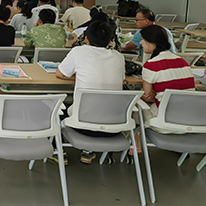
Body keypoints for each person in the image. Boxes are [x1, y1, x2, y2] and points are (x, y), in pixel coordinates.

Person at [56, 20, 125, 164]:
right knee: (97, 103)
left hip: (82, 125)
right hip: (114, 126)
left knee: (56, 108)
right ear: (110, 41)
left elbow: (60, 74)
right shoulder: (119, 57)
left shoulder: (78, 51)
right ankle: (88, 151)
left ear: (86, 39)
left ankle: (58, 152)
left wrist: (80, 75)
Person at [140, 25, 195, 128]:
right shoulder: (183, 62)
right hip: (189, 121)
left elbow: (148, 98)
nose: (140, 42)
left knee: (134, 110)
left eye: (143, 40)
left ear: (152, 43)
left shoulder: (151, 65)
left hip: (163, 122)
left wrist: (142, 95)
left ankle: (137, 138)